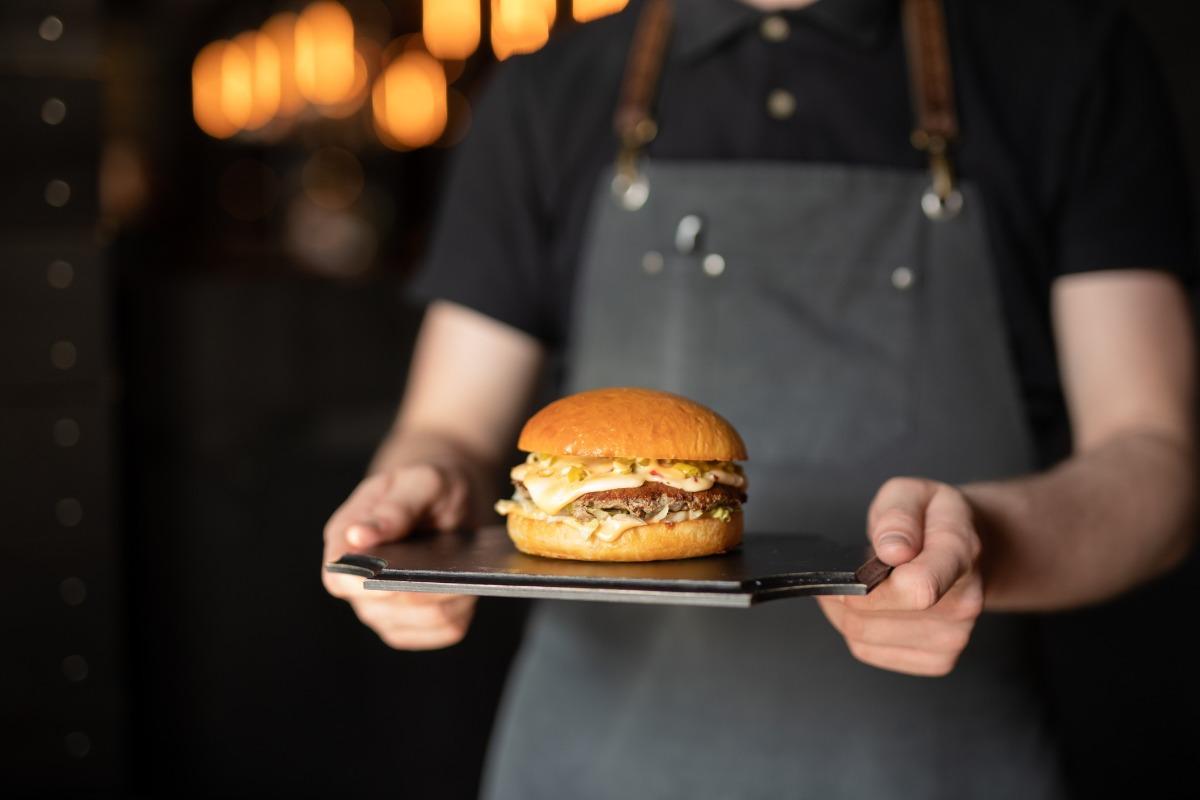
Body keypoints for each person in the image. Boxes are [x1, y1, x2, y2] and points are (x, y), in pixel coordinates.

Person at [323, 0, 1196, 796]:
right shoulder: (550, 85)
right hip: (591, 760)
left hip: (940, 761)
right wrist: (415, 494)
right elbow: (446, 426)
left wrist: (989, 545)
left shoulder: (1066, 59)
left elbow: (1156, 461)